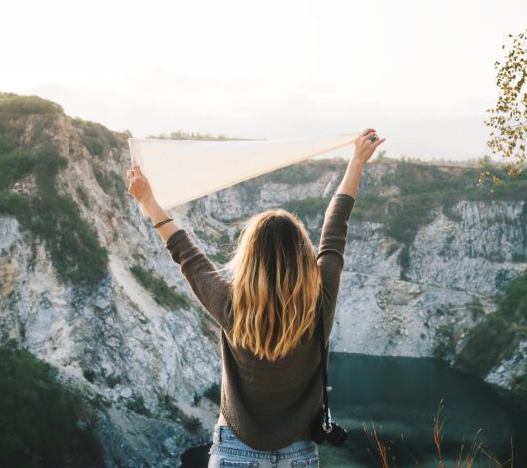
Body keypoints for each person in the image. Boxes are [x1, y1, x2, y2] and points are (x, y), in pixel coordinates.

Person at [127, 128, 385, 468]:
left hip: (235, 449)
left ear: (249, 257)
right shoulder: (319, 302)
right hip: (299, 451)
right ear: (302, 256)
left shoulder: (231, 305)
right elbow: (335, 228)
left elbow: (186, 254)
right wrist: (356, 162)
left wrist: (148, 201)